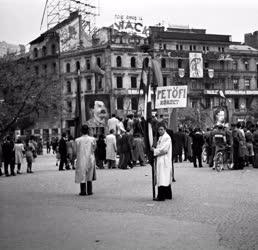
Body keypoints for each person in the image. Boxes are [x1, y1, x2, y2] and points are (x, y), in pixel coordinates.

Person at [151, 123, 172, 201]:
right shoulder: (161, 137)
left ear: (165, 130)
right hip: (161, 159)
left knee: (162, 177)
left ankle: (161, 196)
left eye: (161, 129)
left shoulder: (166, 137)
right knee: (164, 177)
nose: (160, 131)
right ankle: (167, 194)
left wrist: (154, 150)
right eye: (159, 129)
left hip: (164, 159)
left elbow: (164, 150)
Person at [74, 124, 97, 196]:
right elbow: (94, 148)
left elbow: (75, 151)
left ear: (81, 131)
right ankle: (89, 191)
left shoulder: (77, 140)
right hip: (90, 158)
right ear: (88, 131)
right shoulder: (93, 139)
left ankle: (83, 191)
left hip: (81, 159)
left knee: (82, 174)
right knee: (89, 174)